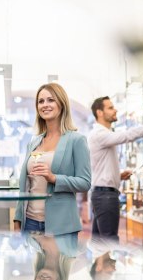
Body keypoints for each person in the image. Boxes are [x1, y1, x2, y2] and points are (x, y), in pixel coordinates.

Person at [15, 83, 91, 235]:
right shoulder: (33, 142)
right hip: (29, 223)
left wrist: (54, 178)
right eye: (40, 101)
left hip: (61, 225)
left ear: (61, 104)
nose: (45, 105)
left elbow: (85, 182)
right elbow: (25, 185)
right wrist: (18, 220)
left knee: (60, 260)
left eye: (50, 100)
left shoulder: (76, 140)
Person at [88, 96, 143, 240]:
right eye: (110, 108)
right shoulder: (100, 134)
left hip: (101, 194)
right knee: (109, 241)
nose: (115, 110)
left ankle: (100, 263)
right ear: (99, 113)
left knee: (100, 243)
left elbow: (100, 166)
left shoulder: (100, 134)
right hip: (105, 197)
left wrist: (118, 175)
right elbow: (127, 136)